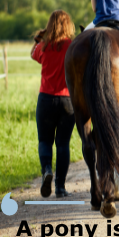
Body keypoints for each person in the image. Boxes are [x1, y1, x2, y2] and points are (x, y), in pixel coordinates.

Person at [31, 10, 76, 198]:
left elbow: (33, 54)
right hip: (67, 101)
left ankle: (47, 169)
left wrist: (40, 37)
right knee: (63, 144)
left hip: (46, 100)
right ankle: (60, 187)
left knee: (44, 141)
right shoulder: (72, 46)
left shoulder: (43, 46)